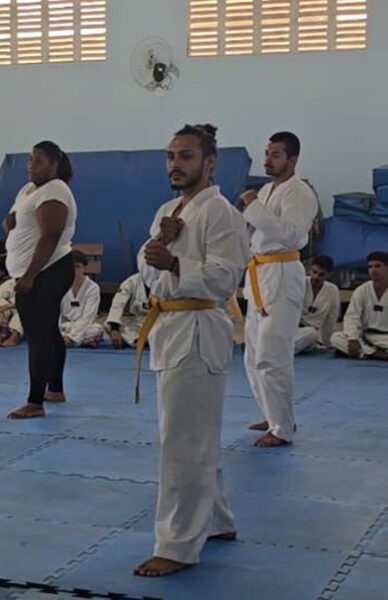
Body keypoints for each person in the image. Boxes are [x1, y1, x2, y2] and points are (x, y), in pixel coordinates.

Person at [133, 124, 249, 577]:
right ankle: (216, 520)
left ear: (210, 162)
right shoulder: (168, 211)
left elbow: (225, 277)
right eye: (170, 156)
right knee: (191, 434)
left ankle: (178, 545)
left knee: (184, 441)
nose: (175, 164)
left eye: (185, 156)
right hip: (170, 326)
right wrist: (162, 244)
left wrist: (175, 261)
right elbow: (148, 270)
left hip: (199, 330)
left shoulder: (221, 213)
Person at [240, 132, 319, 448]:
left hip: (282, 273)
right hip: (259, 273)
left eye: (275, 155)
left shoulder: (299, 192)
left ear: (292, 159)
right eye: (267, 153)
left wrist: (253, 207)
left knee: (273, 356)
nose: (268, 160)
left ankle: (282, 427)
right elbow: (256, 232)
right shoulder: (266, 190)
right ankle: (272, 413)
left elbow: (291, 235)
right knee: (252, 355)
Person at [4, 142, 77, 419]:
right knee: (48, 330)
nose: (31, 165)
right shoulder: (28, 190)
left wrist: (30, 276)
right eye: (29, 160)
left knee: (38, 335)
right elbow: (11, 221)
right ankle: (54, 389)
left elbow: (51, 235)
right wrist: (10, 224)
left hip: (48, 269)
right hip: (39, 270)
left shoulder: (55, 189)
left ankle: (35, 401)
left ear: (53, 164)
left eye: (37, 160)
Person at [330, 251, 388, 360]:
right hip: (366, 337)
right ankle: (376, 354)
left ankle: (365, 353)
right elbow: (352, 316)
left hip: (386, 338)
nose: (373, 270)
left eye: (377, 266)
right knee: (336, 338)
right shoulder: (362, 290)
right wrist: (353, 338)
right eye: (370, 267)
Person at [295, 255, 340, 353]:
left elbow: (331, 319)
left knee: (312, 338)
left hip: (309, 335)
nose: (316, 277)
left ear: (328, 275)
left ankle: (285, 349)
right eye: (314, 272)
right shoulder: (300, 283)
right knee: (311, 334)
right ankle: (282, 349)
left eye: (321, 275)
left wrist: (327, 343)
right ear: (309, 269)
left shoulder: (332, 290)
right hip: (292, 328)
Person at [59, 250, 104, 348]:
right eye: (71, 267)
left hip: (85, 325)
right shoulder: (60, 286)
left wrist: (71, 336)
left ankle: (70, 340)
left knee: (97, 329)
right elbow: (57, 313)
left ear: (84, 267)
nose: (74, 270)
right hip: (65, 325)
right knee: (49, 327)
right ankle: (83, 341)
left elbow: (88, 317)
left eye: (77, 267)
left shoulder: (93, 288)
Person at [105, 272, 151, 349]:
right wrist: (114, 328)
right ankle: (138, 340)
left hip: (159, 321)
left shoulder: (165, 281)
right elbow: (118, 304)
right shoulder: (131, 281)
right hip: (137, 322)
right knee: (108, 326)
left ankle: (139, 340)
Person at [0, 278, 22, 347]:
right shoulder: (9, 283)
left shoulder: (33, 283)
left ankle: (15, 336)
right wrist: (1, 313)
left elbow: (29, 303)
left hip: (27, 315)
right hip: (7, 317)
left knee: (22, 311)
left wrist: (7, 307)